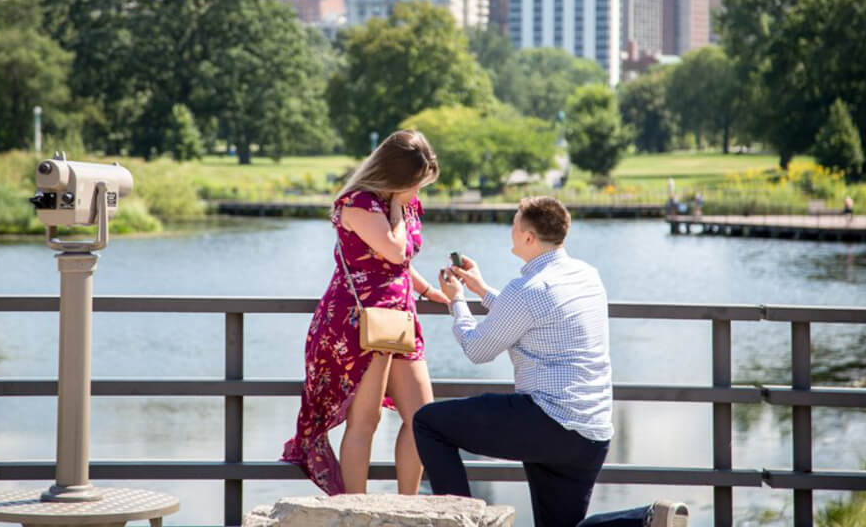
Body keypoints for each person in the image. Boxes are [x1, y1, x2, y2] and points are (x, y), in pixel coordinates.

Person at [413, 196, 689, 527]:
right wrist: (482, 290)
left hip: (548, 422)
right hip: (592, 431)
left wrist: (457, 301)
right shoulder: (586, 275)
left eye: (514, 225)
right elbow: (532, 315)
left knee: (429, 423)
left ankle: (461, 523)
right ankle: (647, 520)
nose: (511, 231)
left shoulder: (526, 289)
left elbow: (477, 349)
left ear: (529, 237)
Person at [282, 130, 451, 495]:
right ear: (395, 176)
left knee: (423, 418)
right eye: (416, 184)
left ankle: (407, 508)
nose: (418, 192)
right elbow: (394, 250)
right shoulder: (359, 203)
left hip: (399, 319)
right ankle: (356, 510)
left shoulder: (402, 201)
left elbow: (399, 264)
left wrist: (427, 290)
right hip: (360, 322)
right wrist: (397, 207)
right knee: (365, 420)